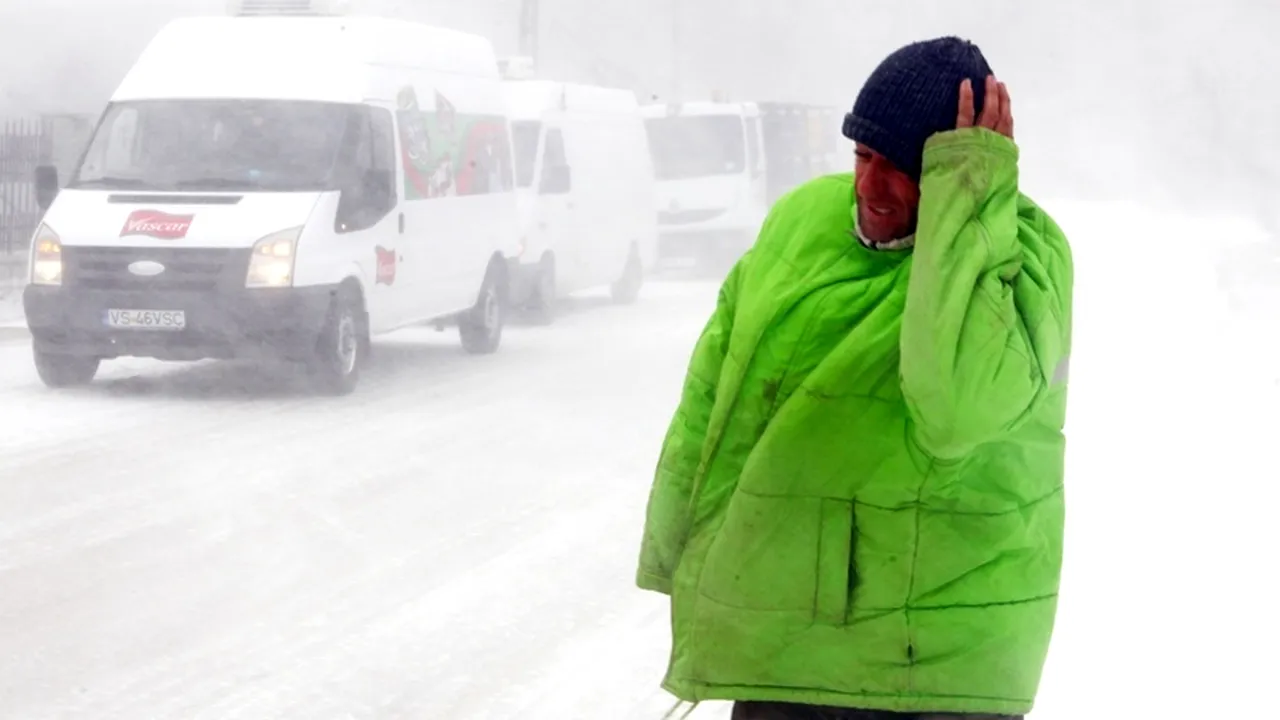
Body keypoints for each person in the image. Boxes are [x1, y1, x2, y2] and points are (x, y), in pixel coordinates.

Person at [636, 37, 1073, 720]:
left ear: (958, 175)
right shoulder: (804, 220)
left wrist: (971, 197)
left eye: (902, 168)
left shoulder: (1025, 259)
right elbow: (716, 392)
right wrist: (681, 548)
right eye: (863, 157)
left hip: (934, 669)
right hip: (787, 649)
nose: (871, 187)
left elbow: (956, 409)